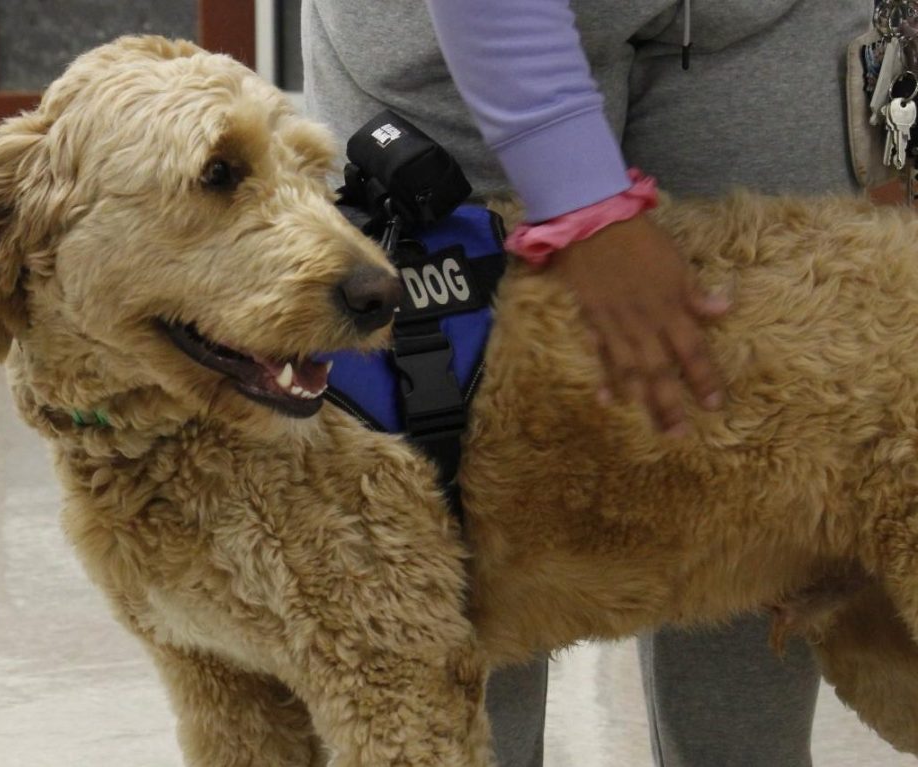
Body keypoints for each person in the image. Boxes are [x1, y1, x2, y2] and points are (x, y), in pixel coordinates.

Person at [302, 0, 870, 765]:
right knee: (450, 563)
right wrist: (585, 205)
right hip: (443, 40)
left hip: (759, 22)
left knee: (765, 493)